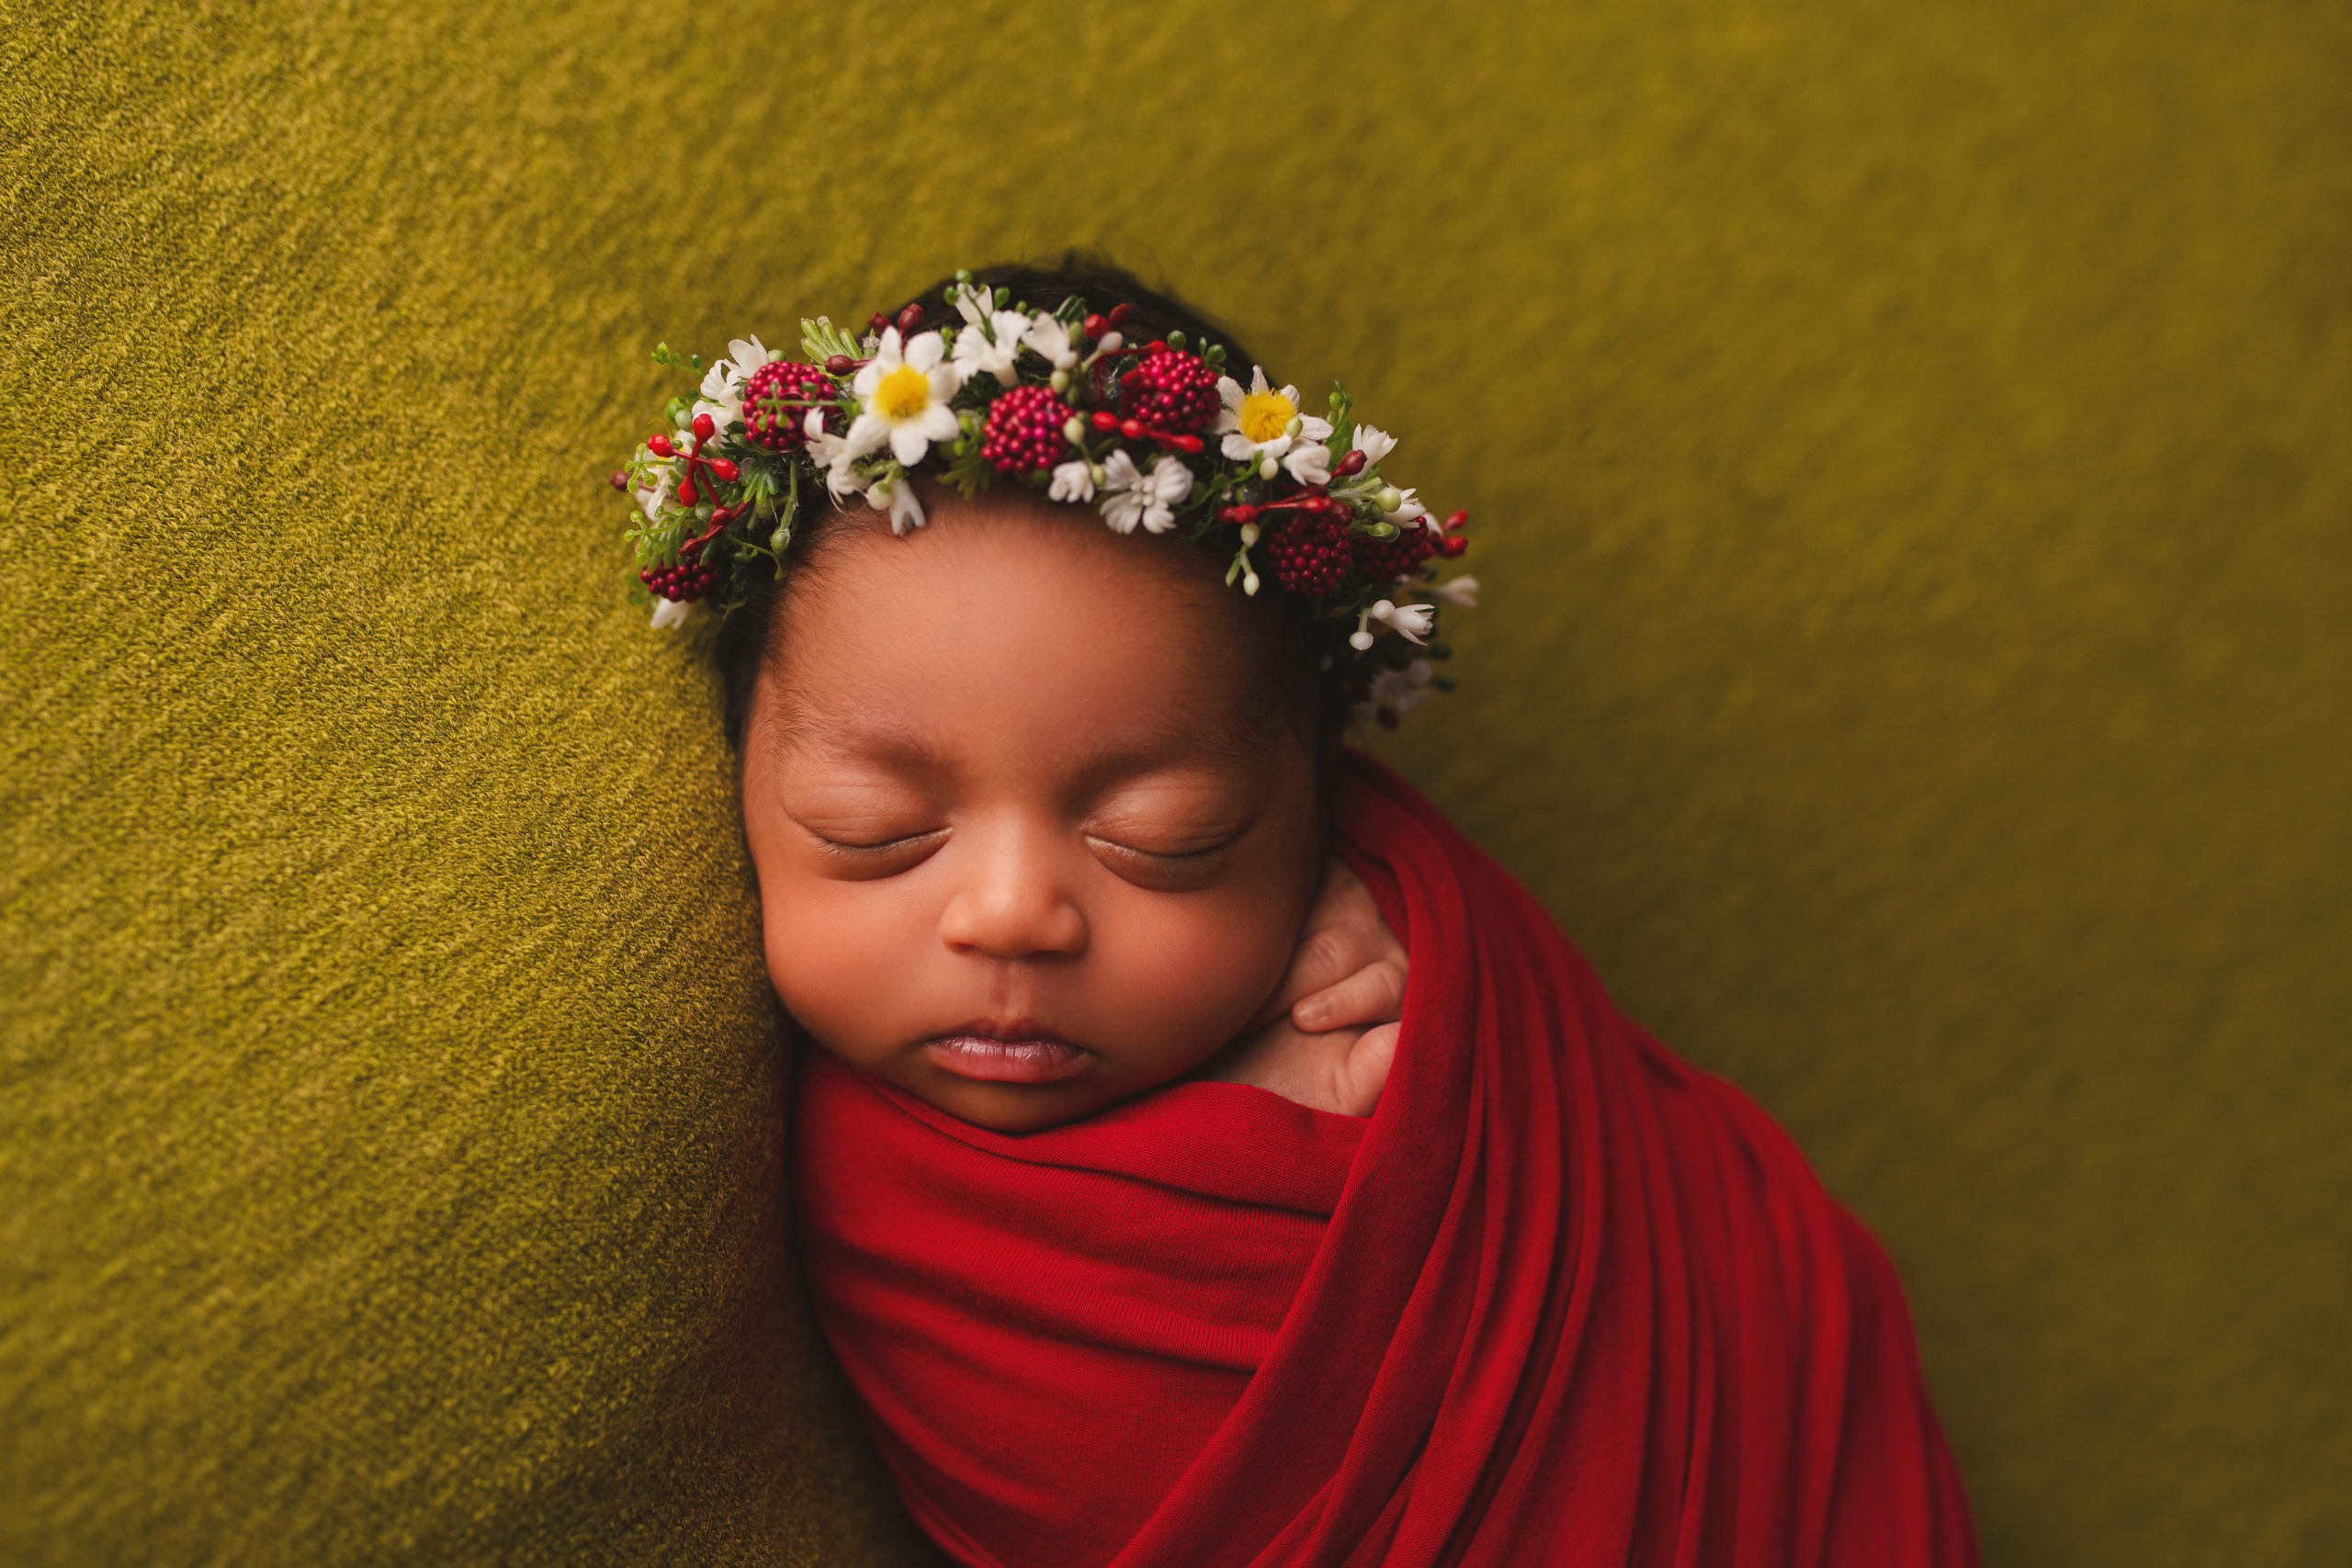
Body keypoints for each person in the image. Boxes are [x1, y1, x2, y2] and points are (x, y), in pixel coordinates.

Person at [612, 260, 1978, 1567]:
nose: (1015, 915)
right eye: (878, 833)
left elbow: (1725, 1283)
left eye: (1168, 843)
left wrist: (1415, 1060)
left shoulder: (1423, 982)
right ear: (744, 781)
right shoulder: (812, 1174)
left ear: (1320, 817)